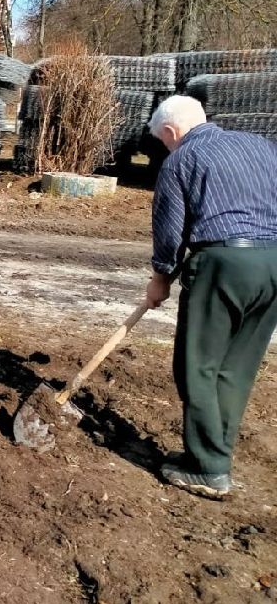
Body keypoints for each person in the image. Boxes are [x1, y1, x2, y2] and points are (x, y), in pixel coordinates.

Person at [145, 95, 277, 500]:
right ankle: (216, 453)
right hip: (273, 262)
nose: (166, 148)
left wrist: (161, 279)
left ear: (170, 132)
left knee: (197, 367)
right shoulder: (262, 146)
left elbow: (170, 230)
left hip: (223, 264)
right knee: (235, 368)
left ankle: (207, 468)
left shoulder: (181, 159)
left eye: (163, 141)